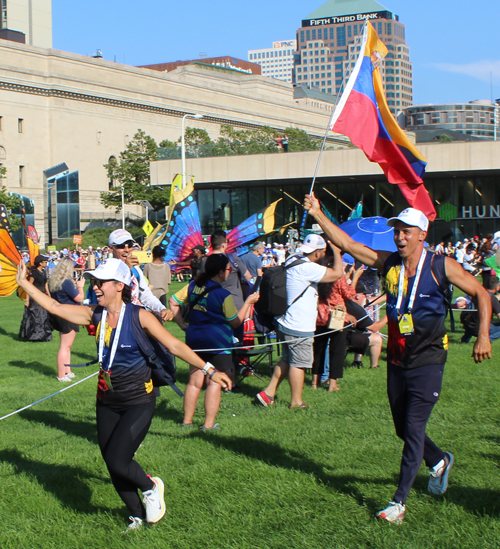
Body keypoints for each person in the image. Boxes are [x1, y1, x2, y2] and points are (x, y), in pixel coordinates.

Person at [304, 194, 492, 524]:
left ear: (422, 234)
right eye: (397, 231)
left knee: (414, 427)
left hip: (430, 358)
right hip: (398, 358)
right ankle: (439, 461)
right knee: (402, 428)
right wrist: (318, 213)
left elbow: (481, 293)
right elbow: (346, 242)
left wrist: (483, 335)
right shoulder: (389, 263)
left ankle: (399, 502)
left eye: (407, 231)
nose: (400, 237)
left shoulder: (441, 266)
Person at [16, 257, 232, 532]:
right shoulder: (95, 314)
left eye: (101, 282)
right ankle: (136, 516)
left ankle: (151, 486)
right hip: (106, 400)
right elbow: (55, 306)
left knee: (119, 459)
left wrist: (210, 370)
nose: (95, 287)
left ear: (119, 285)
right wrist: (24, 283)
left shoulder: (139, 315)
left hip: (138, 401)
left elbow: (176, 345)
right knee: (112, 462)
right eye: (94, 281)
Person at [170, 254, 259, 429]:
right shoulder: (223, 294)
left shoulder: (192, 286)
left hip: (195, 339)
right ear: (220, 272)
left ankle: (186, 421)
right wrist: (248, 302)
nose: (229, 272)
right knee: (214, 382)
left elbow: (173, 302)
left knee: (194, 381)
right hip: (218, 341)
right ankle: (208, 425)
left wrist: (181, 324)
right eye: (228, 269)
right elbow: (235, 322)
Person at [256, 234, 343, 409]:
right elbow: (337, 274)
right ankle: (296, 402)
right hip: (299, 324)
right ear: (318, 253)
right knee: (299, 363)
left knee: (287, 359)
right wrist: (337, 252)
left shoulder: (293, 258)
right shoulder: (308, 268)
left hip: (285, 319)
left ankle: (268, 393)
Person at [108, 229, 172, 322]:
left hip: (133, 320)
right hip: (114, 321)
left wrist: (161, 309)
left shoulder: (136, 269)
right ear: (111, 248)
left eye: (130, 245)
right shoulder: (105, 268)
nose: (126, 250)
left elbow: (146, 296)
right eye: (121, 246)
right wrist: (127, 268)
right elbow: (111, 295)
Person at [48, 257, 85, 381]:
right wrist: (81, 286)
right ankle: (61, 375)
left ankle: (67, 370)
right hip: (69, 315)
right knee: (65, 346)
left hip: (60, 314)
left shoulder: (54, 281)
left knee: (67, 346)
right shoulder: (67, 282)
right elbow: (79, 298)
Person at [19, 254, 53, 342]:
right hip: (35, 297)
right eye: (45, 262)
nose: (46, 263)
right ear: (40, 263)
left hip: (43, 295)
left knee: (44, 315)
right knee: (36, 316)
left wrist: (49, 295)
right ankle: (35, 335)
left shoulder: (44, 272)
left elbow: (45, 284)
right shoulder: (34, 273)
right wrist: (27, 299)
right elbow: (28, 286)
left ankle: (44, 334)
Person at [459, 276, 500, 343]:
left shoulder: (477, 295)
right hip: (480, 329)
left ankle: (465, 340)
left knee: (474, 317)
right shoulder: (492, 299)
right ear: (497, 287)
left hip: (468, 326)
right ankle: (485, 340)